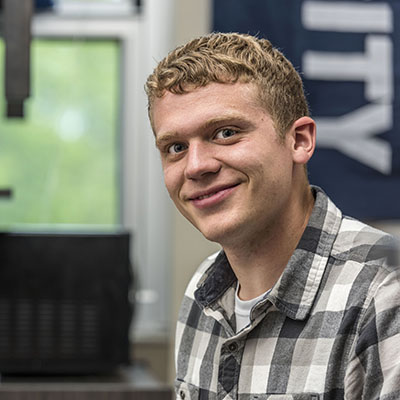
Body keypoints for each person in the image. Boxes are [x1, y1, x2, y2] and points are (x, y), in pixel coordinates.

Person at [145, 33, 400, 399]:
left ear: (299, 141)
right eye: (176, 147)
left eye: (226, 133)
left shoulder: (384, 294)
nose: (196, 166)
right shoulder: (202, 292)